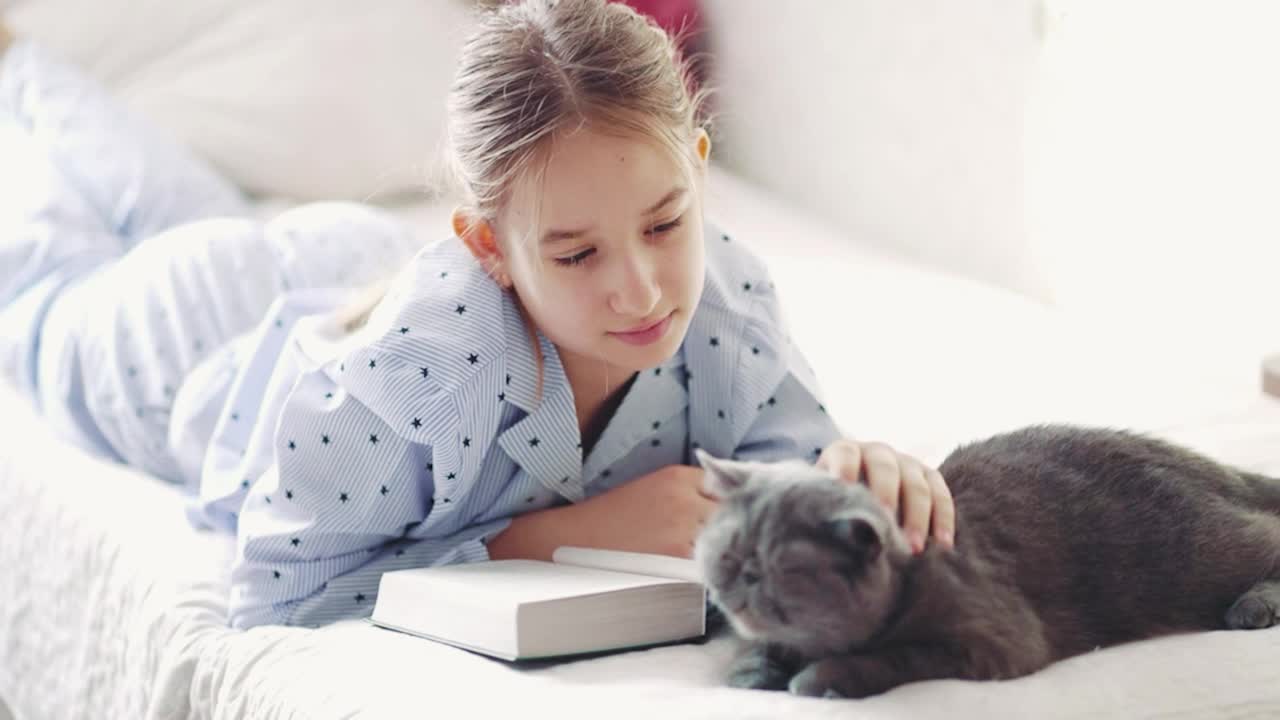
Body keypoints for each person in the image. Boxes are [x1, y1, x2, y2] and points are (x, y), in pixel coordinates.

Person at [0, 0, 954, 631]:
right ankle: (21, 64)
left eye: (667, 222)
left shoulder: (726, 307)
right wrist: (563, 531)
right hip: (186, 339)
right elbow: (277, 589)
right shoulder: (434, 367)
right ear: (487, 247)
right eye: (577, 254)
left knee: (171, 196)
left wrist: (857, 470)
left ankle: (29, 67)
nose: (643, 290)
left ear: (699, 168)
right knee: (44, 278)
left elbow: (791, 459)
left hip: (346, 267)